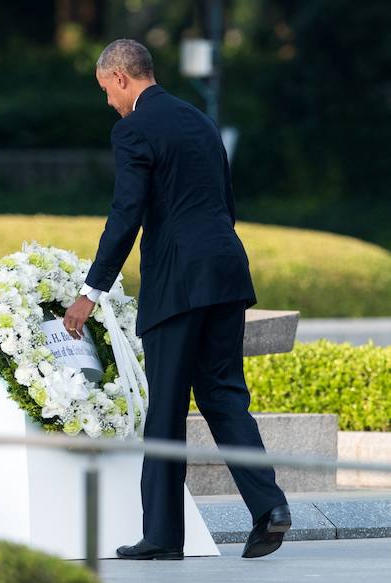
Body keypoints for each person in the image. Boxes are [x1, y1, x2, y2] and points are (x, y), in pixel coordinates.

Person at [63, 39, 291, 560]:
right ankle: (270, 507)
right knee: (224, 395)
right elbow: (225, 203)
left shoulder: (133, 129)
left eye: (106, 90)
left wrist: (89, 292)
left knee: (165, 409)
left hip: (178, 283)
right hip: (227, 272)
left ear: (120, 77)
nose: (108, 104)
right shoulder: (199, 120)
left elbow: (126, 215)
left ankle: (163, 536)